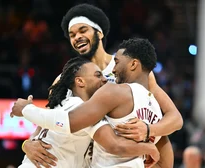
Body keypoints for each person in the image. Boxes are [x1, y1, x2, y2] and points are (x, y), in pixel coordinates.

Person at [20, 3, 183, 167]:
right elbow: (47, 124)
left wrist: (149, 130)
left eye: (83, 30)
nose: (77, 37)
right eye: (72, 35)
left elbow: (174, 119)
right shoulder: (65, 78)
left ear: (99, 32)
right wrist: (28, 144)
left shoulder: (128, 70)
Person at [11, 38, 166, 167]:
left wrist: (27, 110)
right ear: (80, 81)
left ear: (133, 64)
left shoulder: (100, 101)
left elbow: (62, 122)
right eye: (98, 75)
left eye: (117, 62)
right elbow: (112, 143)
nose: (107, 76)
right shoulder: (157, 110)